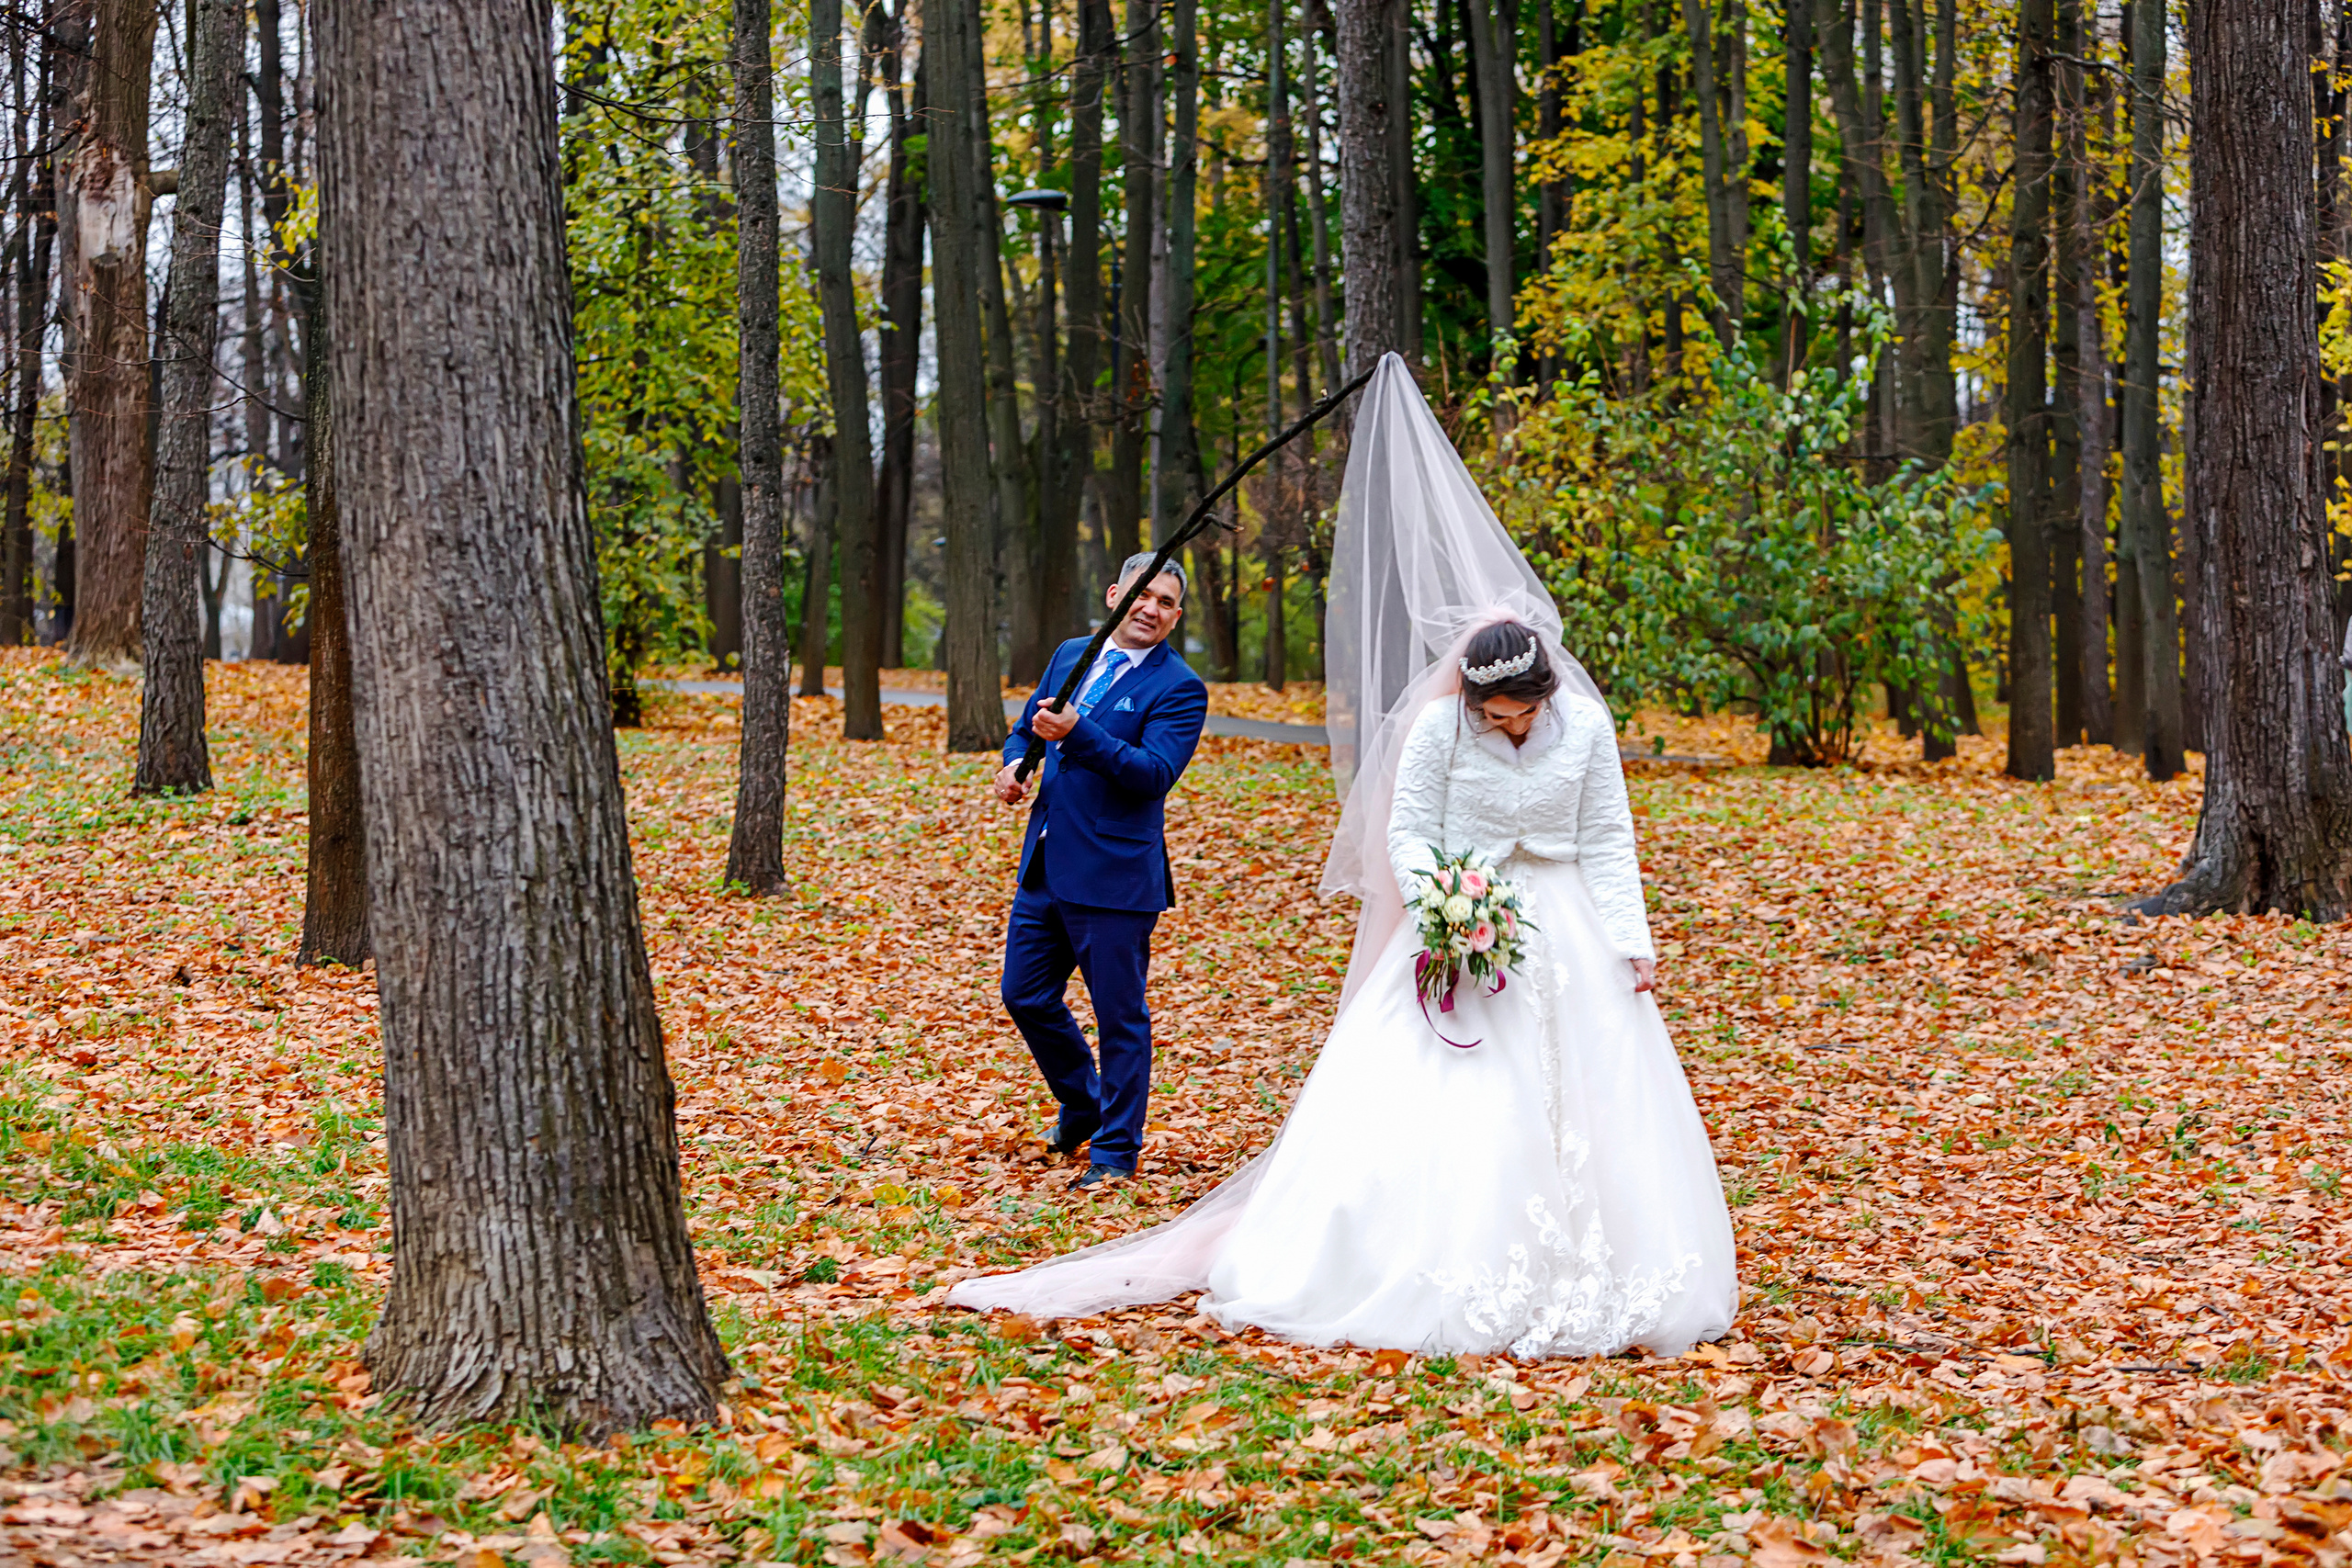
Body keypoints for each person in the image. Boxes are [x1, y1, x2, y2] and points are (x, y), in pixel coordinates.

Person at [950, 355, 1737, 1358]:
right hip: (1458, 910)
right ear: (1468, 696)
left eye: (1520, 716)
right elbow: (1408, 832)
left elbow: (1605, 838)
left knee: (1591, 1094)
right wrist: (1440, 907)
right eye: (1492, 714)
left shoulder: (1581, 729)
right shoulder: (1440, 729)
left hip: (1568, 924)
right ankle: (1385, 1250)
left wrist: (1630, 941)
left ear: (1546, 696)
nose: (1507, 728)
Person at [991, 555, 1210, 1190]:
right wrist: (1014, 765)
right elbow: (1027, 725)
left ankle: (1115, 1149)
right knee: (1024, 994)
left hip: (1115, 877)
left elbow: (1152, 773)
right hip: (1046, 862)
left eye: (1167, 602)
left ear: (1174, 618)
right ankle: (1082, 1102)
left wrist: (1080, 731)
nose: (1152, 608)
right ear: (1117, 593)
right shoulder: (1071, 654)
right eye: (1143, 594)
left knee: (1119, 1016)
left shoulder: (1179, 687)